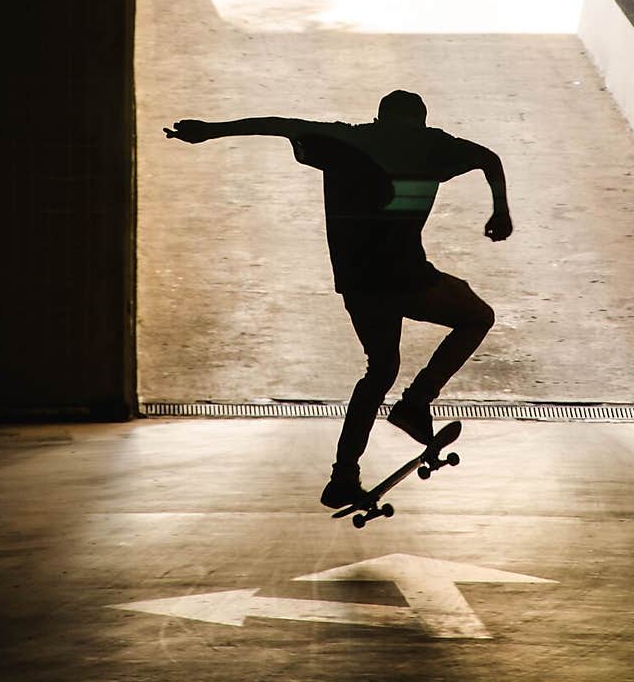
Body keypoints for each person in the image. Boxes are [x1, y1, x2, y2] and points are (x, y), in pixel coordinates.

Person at [164, 89, 512, 508]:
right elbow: (489, 158)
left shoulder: (347, 140)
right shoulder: (433, 146)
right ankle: (417, 401)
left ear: (379, 119)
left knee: (381, 368)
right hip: (406, 276)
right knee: (476, 316)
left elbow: (278, 124)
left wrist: (211, 131)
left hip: (359, 282)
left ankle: (344, 474)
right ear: (420, 121)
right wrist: (500, 210)